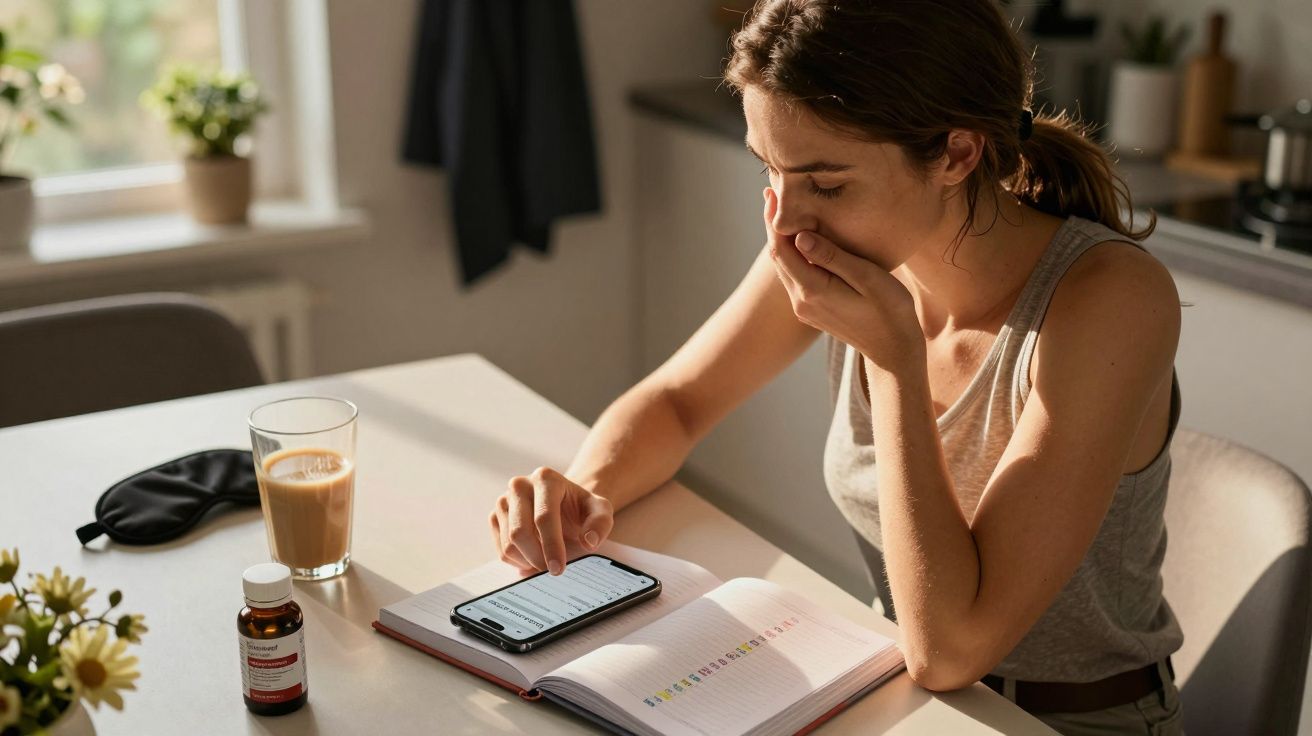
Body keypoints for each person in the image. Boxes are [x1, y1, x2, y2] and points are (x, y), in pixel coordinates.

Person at [487, 1, 1184, 733]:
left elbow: (951, 649)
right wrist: (584, 497)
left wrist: (893, 362)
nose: (787, 223)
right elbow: (678, 401)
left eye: (825, 183)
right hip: (896, 694)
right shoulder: (843, 244)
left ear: (956, 155)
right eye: (771, 170)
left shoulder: (1111, 302)